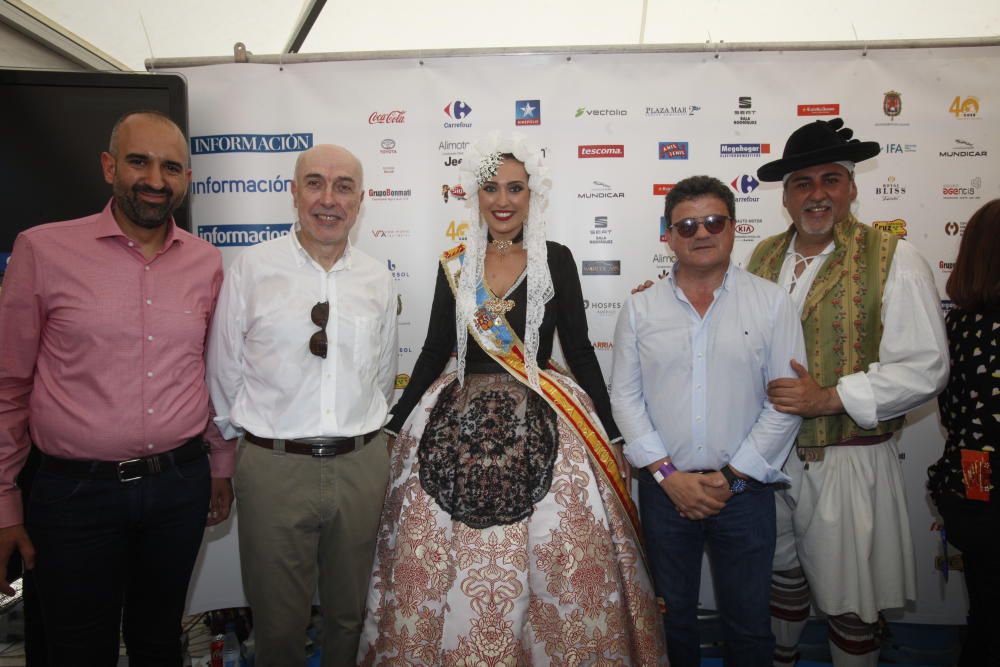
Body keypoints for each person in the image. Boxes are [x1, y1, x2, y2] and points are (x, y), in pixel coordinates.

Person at [357, 132, 665, 665]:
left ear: (532, 194)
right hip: (454, 417)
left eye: (515, 188)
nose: (502, 200)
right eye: (491, 187)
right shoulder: (454, 262)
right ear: (475, 195)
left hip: (545, 410)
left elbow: (582, 352)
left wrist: (613, 434)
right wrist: (392, 426)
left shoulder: (556, 260)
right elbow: (433, 351)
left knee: (555, 555)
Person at [0, 110, 234, 665]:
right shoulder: (43, 250)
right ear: (109, 167)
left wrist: (220, 465)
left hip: (178, 487)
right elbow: (8, 385)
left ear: (186, 180)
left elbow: (210, 371)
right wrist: (5, 501)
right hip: (75, 495)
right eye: (139, 161)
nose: (155, 179)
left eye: (171, 167)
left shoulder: (206, 263)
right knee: (77, 649)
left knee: (159, 640)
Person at [745, 118, 948, 666]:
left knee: (851, 601)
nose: (817, 195)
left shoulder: (893, 258)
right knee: (781, 577)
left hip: (846, 457)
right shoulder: (762, 256)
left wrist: (828, 399)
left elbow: (925, 367)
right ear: (785, 196)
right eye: (802, 183)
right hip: (768, 457)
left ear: (852, 187)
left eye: (830, 179)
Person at [206, 144, 398, 667]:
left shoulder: (378, 279)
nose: (328, 199)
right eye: (314, 183)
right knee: (278, 625)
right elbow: (224, 372)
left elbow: (382, 375)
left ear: (362, 200)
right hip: (274, 468)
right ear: (293, 193)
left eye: (343, 187)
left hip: (361, 467)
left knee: (349, 619)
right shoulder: (252, 268)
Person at [611, 175, 805, 667]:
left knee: (748, 623)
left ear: (733, 228)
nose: (702, 233)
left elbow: (785, 401)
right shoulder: (639, 309)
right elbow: (627, 399)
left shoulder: (771, 303)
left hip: (744, 494)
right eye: (688, 224)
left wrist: (733, 477)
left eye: (714, 222)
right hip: (664, 492)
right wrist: (667, 476)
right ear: (668, 235)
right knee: (671, 622)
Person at [927, 198, 1000, 667]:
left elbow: (953, 415)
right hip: (982, 488)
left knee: (987, 612)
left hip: (972, 486)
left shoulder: (957, 323)